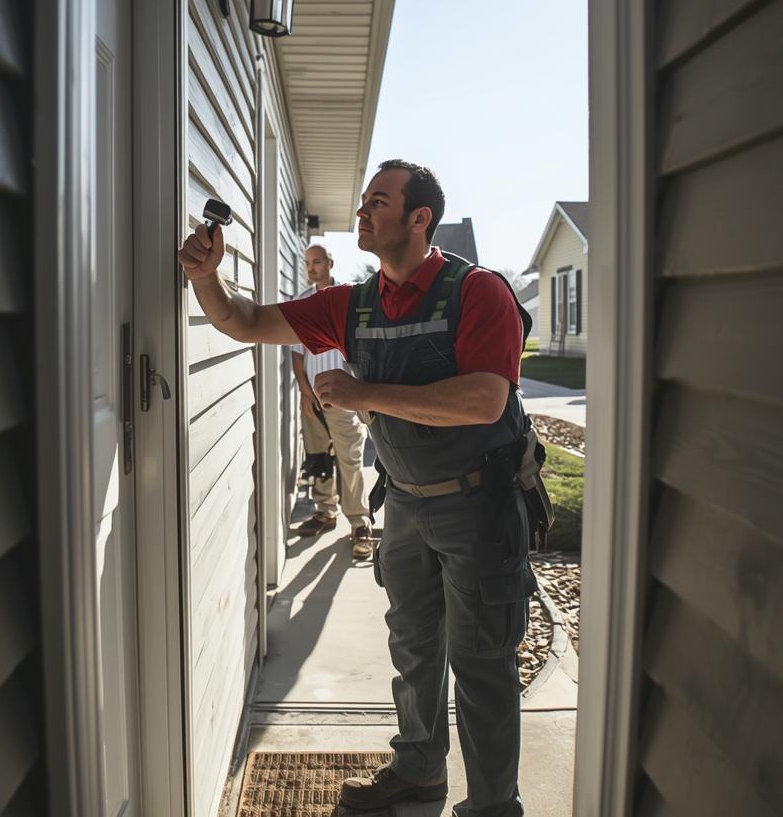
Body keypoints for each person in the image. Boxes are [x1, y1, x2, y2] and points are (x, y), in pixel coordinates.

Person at [177, 159, 535, 817]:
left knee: (482, 665)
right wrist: (207, 277)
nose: (363, 212)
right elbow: (245, 321)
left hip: (478, 507)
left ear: (419, 218)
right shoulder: (353, 304)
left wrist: (363, 391)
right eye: (365, 200)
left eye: (379, 201)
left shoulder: (476, 293)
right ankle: (418, 771)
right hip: (403, 504)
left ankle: (492, 808)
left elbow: (485, 401)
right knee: (413, 647)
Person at [290, 244, 374, 559]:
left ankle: (359, 522)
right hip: (313, 397)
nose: (312, 268)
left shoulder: (348, 300)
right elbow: (297, 354)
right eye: (307, 262)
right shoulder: (301, 303)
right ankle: (326, 511)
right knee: (319, 459)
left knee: (350, 460)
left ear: (330, 264)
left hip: (345, 398)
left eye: (317, 262)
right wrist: (304, 391)